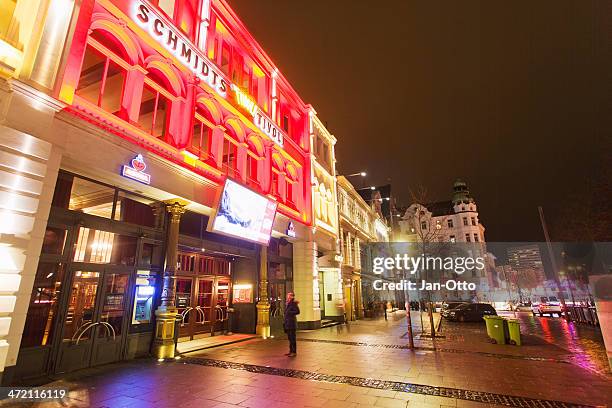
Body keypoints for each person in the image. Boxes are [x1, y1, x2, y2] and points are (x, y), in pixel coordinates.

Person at [283, 292, 300, 357]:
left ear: (292, 296)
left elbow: (298, 312)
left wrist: (289, 312)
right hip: (288, 323)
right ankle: (290, 351)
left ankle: (294, 352)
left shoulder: (293, 303)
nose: (287, 296)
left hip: (292, 323)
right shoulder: (288, 303)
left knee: (292, 338)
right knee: (290, 338)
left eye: (289, 295)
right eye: (288, 295)